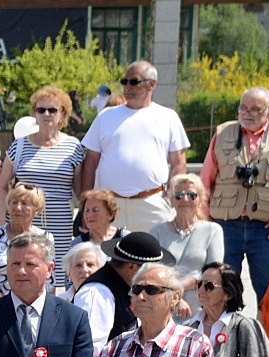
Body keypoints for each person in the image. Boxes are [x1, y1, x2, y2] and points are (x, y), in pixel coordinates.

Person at [200, 87, 269, 305]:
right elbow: (205, 179)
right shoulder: (223, 133)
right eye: (243, 107)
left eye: (255, 109)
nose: (247, 113)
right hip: (224, 225)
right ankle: (222, 328)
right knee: (218, 292)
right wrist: (206, 217)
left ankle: (265, 328)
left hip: (266, 229)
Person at [81, 62, 189, 234]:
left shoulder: (168, 117)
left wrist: (169, 197)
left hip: (152, 204)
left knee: (157, 252)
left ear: (151, 84)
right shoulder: (105, 116)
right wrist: (86, 204)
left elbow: (179, 163)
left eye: (134, 81)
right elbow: (90, 162)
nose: (127, 87)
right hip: (109, 205)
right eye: (124, 81)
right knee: (106, 252)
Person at [0, 85, 87, 289]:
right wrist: (2, 222)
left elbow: (79, 191)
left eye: (52, 110)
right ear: (34, 114)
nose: (46, 114)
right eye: (41, 110)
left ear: (63, 114)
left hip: (59, 224)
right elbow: (1, 185)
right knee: (24, 271)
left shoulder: (73, 146)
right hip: (23, 221)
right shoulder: (19, 145)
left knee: (55, 276)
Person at [152, 175, 223, 317]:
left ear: (200, 200)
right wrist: (174, 295)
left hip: (202, 308)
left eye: (192, 195)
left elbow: (214, 272)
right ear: (171, 200)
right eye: (179, 195)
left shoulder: (213, 230)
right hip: (163, 305)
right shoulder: (157, 231)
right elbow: (152, 272)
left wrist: (180, 287)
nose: (185, 199)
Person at [0, 184, 46, 299]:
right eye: (14, 202)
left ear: (36, 210)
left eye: (24, 203)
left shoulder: (44, 239)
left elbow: (49, 279)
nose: (17, 208)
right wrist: (2, 302)